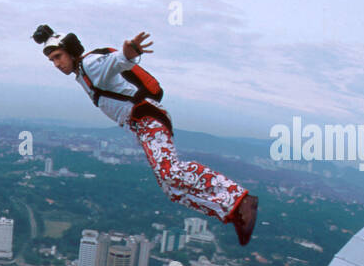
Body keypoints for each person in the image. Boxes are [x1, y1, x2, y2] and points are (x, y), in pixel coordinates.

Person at [32, 23, 259, 245]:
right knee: (171, 189)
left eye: (59, 56)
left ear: (72, 52)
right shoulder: (82, 73)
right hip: (140, 124)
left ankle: (238, 197)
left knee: (170, 171)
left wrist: (128, 53)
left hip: (147, 117)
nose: (56, 64)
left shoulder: (90, 64)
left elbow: (114, 62)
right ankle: (231, 210)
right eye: (52, 59)